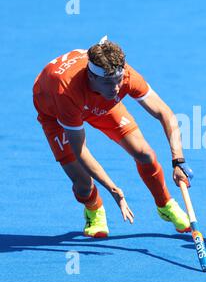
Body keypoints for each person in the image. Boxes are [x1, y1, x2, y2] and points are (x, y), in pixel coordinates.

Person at [33, 37, 193, 238]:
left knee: (145, 154)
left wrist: (178, 160)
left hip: (99, 103)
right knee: (82, 183)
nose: (117, 88)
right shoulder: (66, 91)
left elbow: (164, 112)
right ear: (92, 77)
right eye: (109, 82)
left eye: (118, 80)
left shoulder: (124, 76)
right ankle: (94, 208)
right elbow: (80, 149)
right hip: (55, 111)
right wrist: (113, 189)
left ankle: (165, 204)